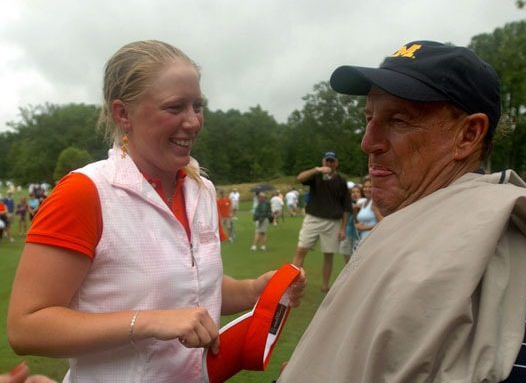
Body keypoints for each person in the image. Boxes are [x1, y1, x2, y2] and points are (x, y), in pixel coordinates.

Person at [278, 40, 526, 382]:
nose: (368, 142)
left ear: (469, 134)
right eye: (369, 118)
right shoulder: (413, 225)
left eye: (398, 121)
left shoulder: (508, 251)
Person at [6, 40, 305, 383]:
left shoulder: (201, 189)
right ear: (123, 114)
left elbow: (193, 289)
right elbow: (26, 326)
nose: (193, 121)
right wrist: (148, 321)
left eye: (198, 105)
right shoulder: (85, 192)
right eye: (175, 107)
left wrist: (254, 289)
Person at [292, 151, 352, 293]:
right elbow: (300, 178)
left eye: (332, 161)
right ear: (323, 161)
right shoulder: (316, 176)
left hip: (333, 222)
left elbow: (346, 207)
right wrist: (317, 169)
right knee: (301, 250)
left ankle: (325, 285)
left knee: (328, 254)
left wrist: (343, 228)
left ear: (336, 163)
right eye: (327, 161)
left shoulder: (341, 181)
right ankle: (292, 283)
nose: (329, 163)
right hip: (313, 219)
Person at [338, 183, 364, 263]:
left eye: (357, 192)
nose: (355, 194)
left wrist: (356, 210)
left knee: (357, 259)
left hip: (359, 235)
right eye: (353, 192)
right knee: (347, 260)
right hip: (348, 233)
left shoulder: (365, 205)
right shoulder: (348, 205)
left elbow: (358, 221)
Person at [354, 176, 383, 243]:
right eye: (365, 187)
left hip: (373, 240)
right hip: (363, 239)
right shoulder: (364, 203)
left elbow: (382, 223)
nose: (367, 189)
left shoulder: (374, 203)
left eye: (370, 187)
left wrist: (363, 228)